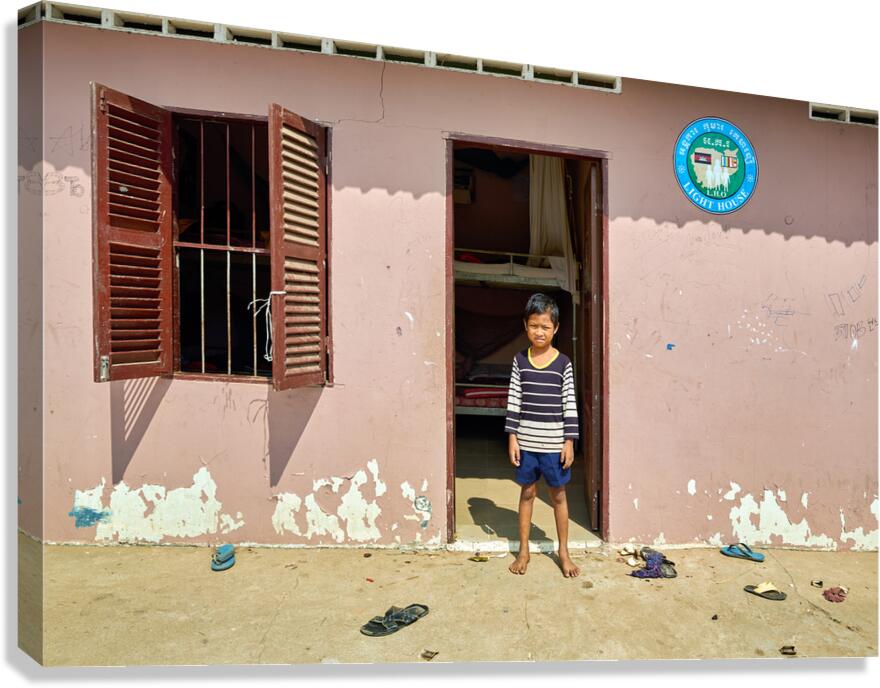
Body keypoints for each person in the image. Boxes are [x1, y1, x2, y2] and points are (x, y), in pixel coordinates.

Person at [504, 293, 580, 577]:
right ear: (526, 325)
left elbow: (569, 402)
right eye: (534, 325)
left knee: (558, 496)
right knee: (527, 493)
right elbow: (514, 399)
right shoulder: (520, 361)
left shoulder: (564, 364)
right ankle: (523, 551)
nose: (539, 331)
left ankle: (563, 551)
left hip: (554, 445)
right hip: (527, 444)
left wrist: (569, 442)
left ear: (556, 328)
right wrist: (512, 437)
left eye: (545, 327)